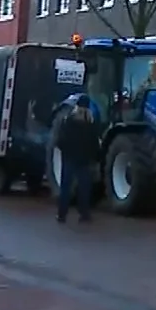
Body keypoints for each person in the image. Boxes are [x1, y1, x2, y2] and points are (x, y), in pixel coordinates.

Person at [51, 95, 102, 224]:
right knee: (84, 188)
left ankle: (62, 215)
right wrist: (93, 157)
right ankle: (84, 214)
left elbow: (60, 140)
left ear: (76, 106)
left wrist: (65, 151)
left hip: (69, 159)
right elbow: (95, 144)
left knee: (66, 187)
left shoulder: (68, 120)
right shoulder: (91, 123)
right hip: (84, 161)